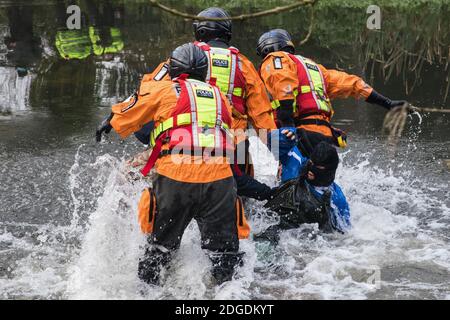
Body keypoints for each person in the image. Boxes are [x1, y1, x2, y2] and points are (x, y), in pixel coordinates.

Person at [96, 43, 250, 286]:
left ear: (174, 69)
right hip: (219, 180)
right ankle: (226, 295)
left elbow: (129, 111)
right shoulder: (220, 96)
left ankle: (149, 291)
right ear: (205, 71)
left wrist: (109, 121)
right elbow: (230, 131)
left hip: (175, 178)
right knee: (225, 258)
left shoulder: (164, 90)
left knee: (158, 253)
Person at [133, 7, 278, 201]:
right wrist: (279, 152)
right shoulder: (244, 65)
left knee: (131, 175)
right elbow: (262, 117)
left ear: (199, 31)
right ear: (227, 33)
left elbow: (148, 91)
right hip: (234, 144)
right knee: (242, 197)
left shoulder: (183, 57)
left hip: (185, 140)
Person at [257, 29, 407, 156]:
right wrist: (387, 103)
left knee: (290, 176)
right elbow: (353, 84)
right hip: (325, 135)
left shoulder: (275, 59)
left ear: (267, 48)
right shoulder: (315, 68)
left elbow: (284, 85)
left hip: (299, 133)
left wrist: (287, 125)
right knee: (322, 182)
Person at [258, 129, 350, 243]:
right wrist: (291, 134)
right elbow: (270, 139)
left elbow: (343, 233)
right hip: (272, 221)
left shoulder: (337, 198)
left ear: (329, 171)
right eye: (312, 163)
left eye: (318, 167)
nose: (311, 170)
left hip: (303, 239)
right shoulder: (296, 164)